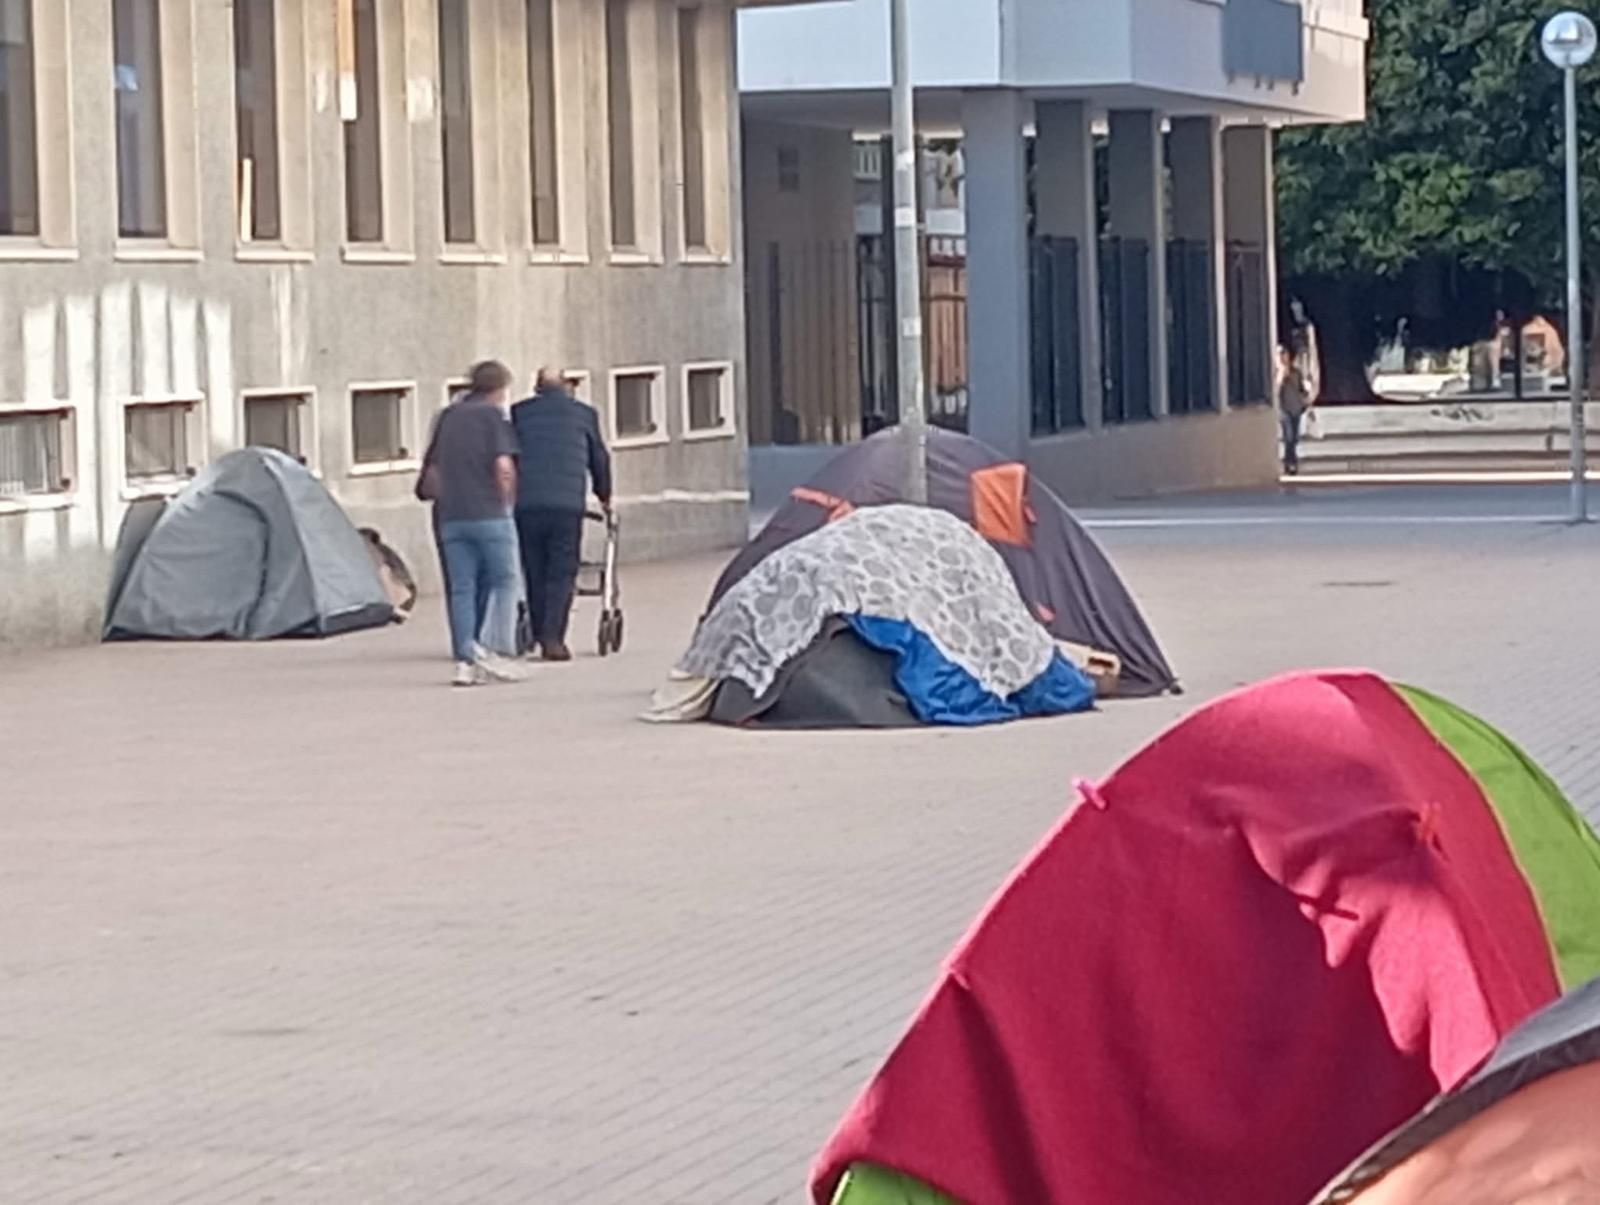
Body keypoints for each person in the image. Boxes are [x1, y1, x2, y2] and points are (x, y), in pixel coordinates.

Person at [416, 360, 524, 686]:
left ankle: (465, 657)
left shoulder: (447, 417)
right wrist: (506, 502)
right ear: (499, 389)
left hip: (452, 515)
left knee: (462, 587)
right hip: (489, 513)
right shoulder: (493, 417)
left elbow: (433, 469)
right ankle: (496, 652)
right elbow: (503, 466)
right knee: (505, 582)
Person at [510, 367, 613, 661]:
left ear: (537, 387)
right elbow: (599, 458)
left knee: (534, 569)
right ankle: (553, 638)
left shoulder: (519, 413)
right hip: (567, 506)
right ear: (567, 387)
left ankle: (537, 631)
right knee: (562, 572)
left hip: (527, 504)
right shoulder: (584, 414)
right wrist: (604, 496)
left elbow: (510, 455)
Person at [1277, 345, 1313, 476]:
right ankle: (1290, 463)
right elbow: (1275, 391)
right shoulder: (1276, 373)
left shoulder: (1296, 372)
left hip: (1296, 408)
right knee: (1289, 437)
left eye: (1285, 354)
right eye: (1281, 355)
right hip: (1284, 409)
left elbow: (1301, 389)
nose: (1283, 357)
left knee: (1294, 438)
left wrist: (1305, 400)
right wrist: (1281, 375)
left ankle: (1291, 461)